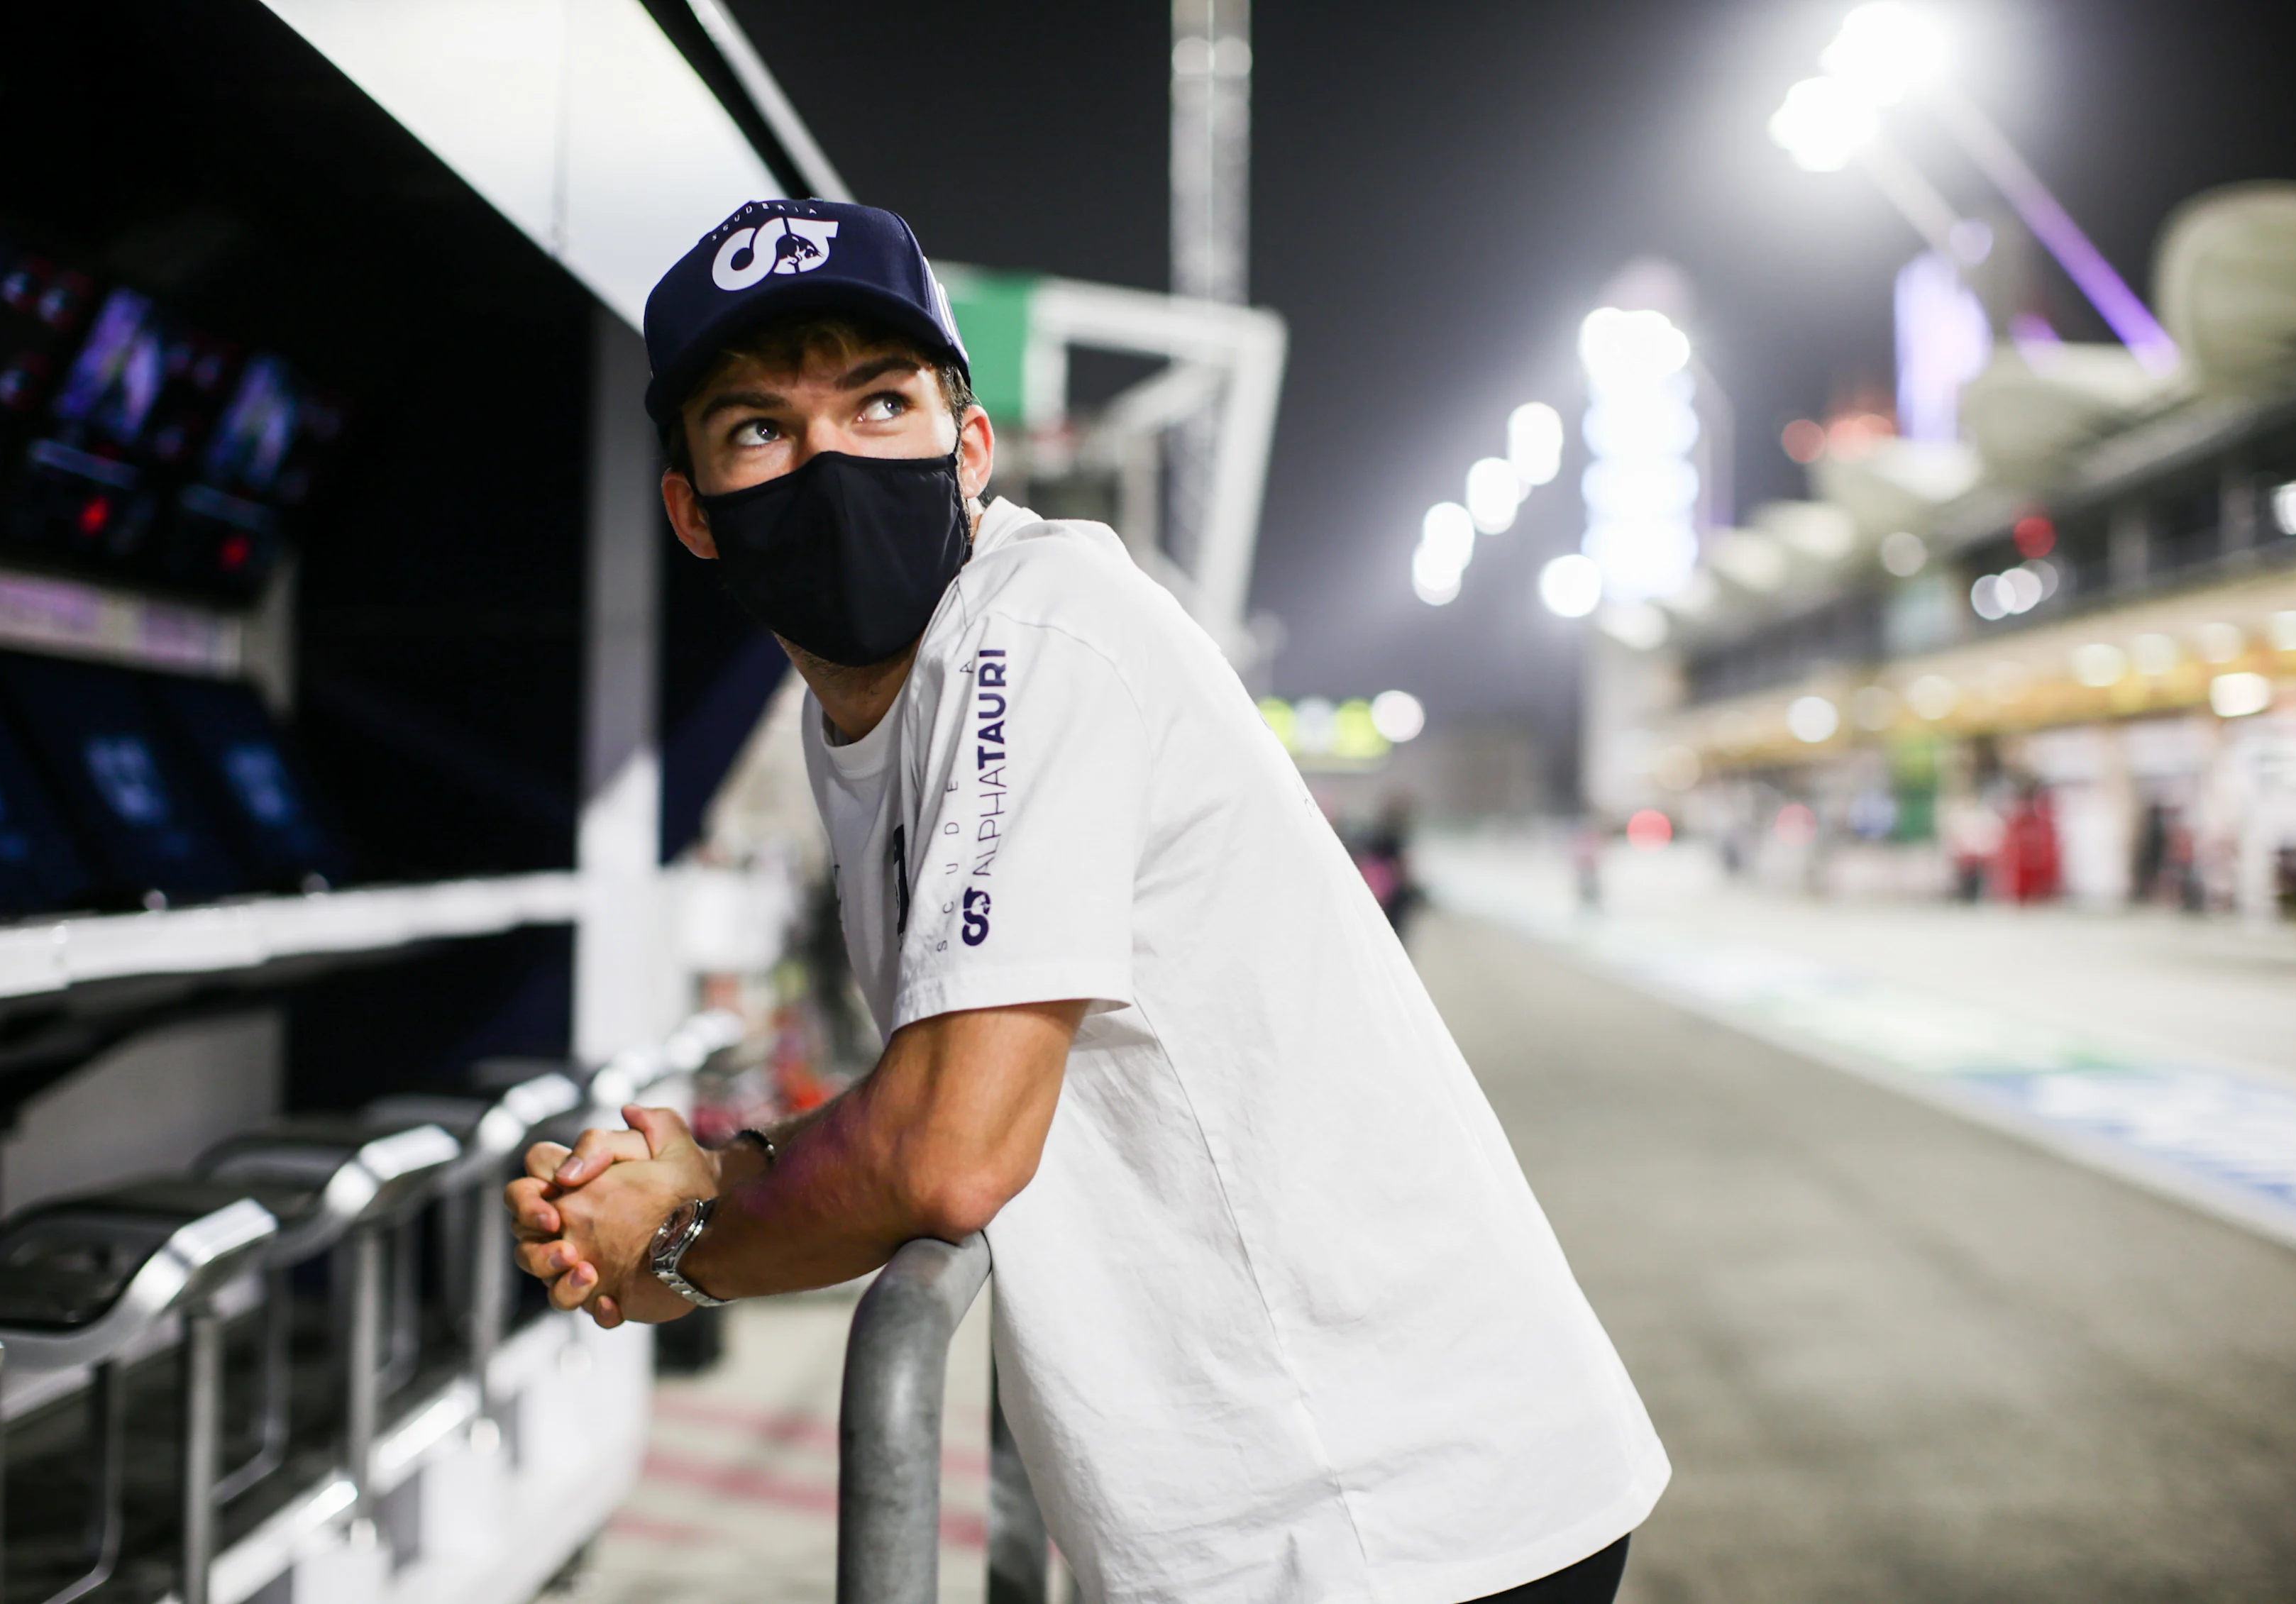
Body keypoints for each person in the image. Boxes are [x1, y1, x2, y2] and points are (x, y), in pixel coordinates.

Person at [509, 199, 1667, 1604]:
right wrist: (732, 1164)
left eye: (879, 404)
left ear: (970, 447)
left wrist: (682, 1249)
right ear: (691, 508)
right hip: (1291, 1515)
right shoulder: (862, 722)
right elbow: (949, 1073)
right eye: (759, 428)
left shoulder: (1037, 629)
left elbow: (949, 1147)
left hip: (1389, 1513)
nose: (826, 462)